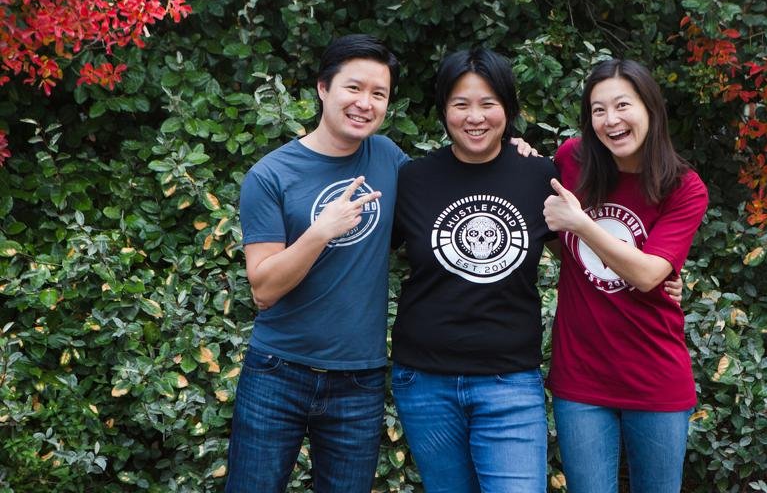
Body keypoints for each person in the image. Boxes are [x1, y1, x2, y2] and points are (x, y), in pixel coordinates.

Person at [226, 34, 408, 493]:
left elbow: (452, 187)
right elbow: (263, 289)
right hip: (277, 373)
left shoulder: (388, 158)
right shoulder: (271, 175)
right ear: (323, 88)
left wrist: (512, 154)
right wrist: (322, 231)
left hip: (360, 379)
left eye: (378, 94)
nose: (365, 103)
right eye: (354, 88)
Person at [389, 48, 558, 493]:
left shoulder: (541, 175)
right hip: (423, 382)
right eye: (461, 104)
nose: (475, 117)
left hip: (510, 382)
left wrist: (660, 276)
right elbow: (363, 257)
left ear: (508, 108)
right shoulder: (412, 179)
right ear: (444, 110)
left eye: (488, 103)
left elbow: (584, 257)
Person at [542, 58, 709, 493]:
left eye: (622, 105)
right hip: (580, 378)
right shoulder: (571, 161)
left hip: (654, 376)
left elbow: (650, 274)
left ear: (650, 108)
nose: (610, 120)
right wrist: (519, 152)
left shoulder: (683, 187)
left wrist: (581, 224)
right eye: (598, 110)